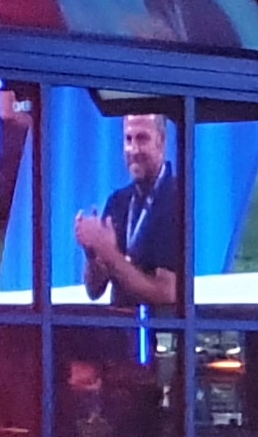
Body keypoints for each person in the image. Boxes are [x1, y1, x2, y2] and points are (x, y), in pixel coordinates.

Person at [69, 107, 186, 311]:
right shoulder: (118, 201)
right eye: (128, 139)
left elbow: (167, 293)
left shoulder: (177, 198)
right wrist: (92, 252)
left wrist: (109, 253)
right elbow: (94, 290)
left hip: (159, 328)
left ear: (161, 142)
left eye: (142, 139)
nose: (134, 150)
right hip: (120, 328)